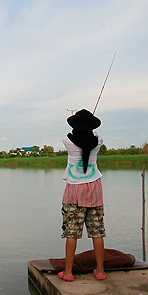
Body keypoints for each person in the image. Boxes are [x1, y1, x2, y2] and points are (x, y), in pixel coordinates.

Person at [58, 108, 106, 282]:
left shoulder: (67, 141)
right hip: (94, 188)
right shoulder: (99, 141)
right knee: (97, 231)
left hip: (74, 190)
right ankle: (100, 271)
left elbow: (71, 134)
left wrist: (80, 128)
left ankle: (68, 273)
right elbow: (93, 136)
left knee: (71, 232)